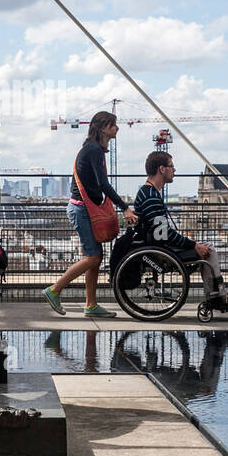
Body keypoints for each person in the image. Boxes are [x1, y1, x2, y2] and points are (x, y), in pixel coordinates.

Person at [44, 111, 136, 318]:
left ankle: (91, 305)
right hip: (82, 210)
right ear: (103, 128)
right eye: (113, 125)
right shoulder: (93, 150)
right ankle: (54, 289)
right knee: (94, 257)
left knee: (94, 256)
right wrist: (124, 207)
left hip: (82, 209)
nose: (117, 128)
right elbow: (103, 184)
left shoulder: (93, 149)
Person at [134, 151, 228, 310]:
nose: (175, 170)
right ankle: (218, 297)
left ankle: (217, 296)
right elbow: (163, 234)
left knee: (206, 247)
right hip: (161, 250)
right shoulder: (151, 196)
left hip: (158, 246)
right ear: (162, 169)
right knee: (209, 250)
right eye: (171, 166)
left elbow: (161, 232)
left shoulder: (148, 192)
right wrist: (193, 245)